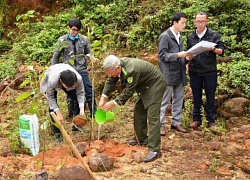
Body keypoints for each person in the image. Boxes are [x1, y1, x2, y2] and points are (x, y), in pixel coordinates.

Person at [98, 55, 166, 163]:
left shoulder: (131, 70)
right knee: (139, 112)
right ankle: (141, 139)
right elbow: (110, 81)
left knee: (152, 117)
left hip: (155, 85)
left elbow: (129, 91)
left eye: (110, 72)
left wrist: (113, 103)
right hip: (144, 86)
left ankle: (154, 150)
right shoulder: (116, 67)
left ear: (118, 68)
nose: (109, 75)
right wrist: (103, 97)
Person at [51, 18, 96, 119]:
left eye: (77, 30)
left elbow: (89, 52)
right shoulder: (62, 40)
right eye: (73, 30)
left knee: (88, 90)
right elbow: (56, 56)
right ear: (69, 28)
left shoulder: (84, 40)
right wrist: (53, 68)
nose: (74, 32)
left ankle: (94, 113)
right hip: (69, 70)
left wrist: (92, 58)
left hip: (81, 69)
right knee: (71, 92)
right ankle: (73, 114)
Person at [187, 12, 225, 130]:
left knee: (210, 96)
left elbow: (221, 51)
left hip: (209, 71)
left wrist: (213, 49)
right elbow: (188, 52)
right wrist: (188, 62)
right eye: (198, 21)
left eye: (202, 21)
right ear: (194, 22)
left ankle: (211, 120)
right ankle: (196, 119)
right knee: (196, 96)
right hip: (195, 71)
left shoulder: (213, 35)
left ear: (207, 22)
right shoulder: (190, 36)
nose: (200, 24)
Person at [158, 12, 188, 135]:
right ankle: (160, 124)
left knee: (179, 99)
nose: (184, 25)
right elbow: (162, 55)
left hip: (179, 72)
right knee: (164, 100)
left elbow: (180, 55)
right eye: (182, 23)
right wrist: (178, 55)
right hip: (168, 73)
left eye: (185, 23)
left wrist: (186, 59)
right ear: (175, 23)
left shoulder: (179, 36)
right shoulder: (165, 36)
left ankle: (176, 122)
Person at [40, 63, 86, 142]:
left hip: (65, 75)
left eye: (72, 86)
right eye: (68, 87)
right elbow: (50, 98)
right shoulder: (52, 80)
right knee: (52, 110)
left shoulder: (78, 79)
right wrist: (58, 112)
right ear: (61, 82)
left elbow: (80, 93)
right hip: (49, 77)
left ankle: (77, 125)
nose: (71, 88)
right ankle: (58, 134)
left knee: (77, 100)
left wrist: (82, 108)